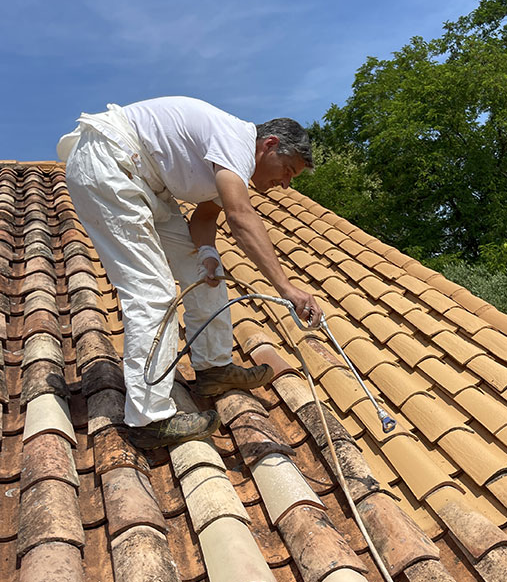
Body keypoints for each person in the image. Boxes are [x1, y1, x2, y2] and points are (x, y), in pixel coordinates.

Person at [57, 96, 322, 449]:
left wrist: (208, 253)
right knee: (153, 292)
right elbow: (239, 217)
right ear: (269, 145)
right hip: (109, 164)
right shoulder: (235, 141)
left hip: (145, 182)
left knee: (206, 272)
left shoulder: (231, 164)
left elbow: (206, 217)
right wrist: (286, 288)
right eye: (287, 170)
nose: (286, 183)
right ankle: (149, 419)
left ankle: (213, 369)